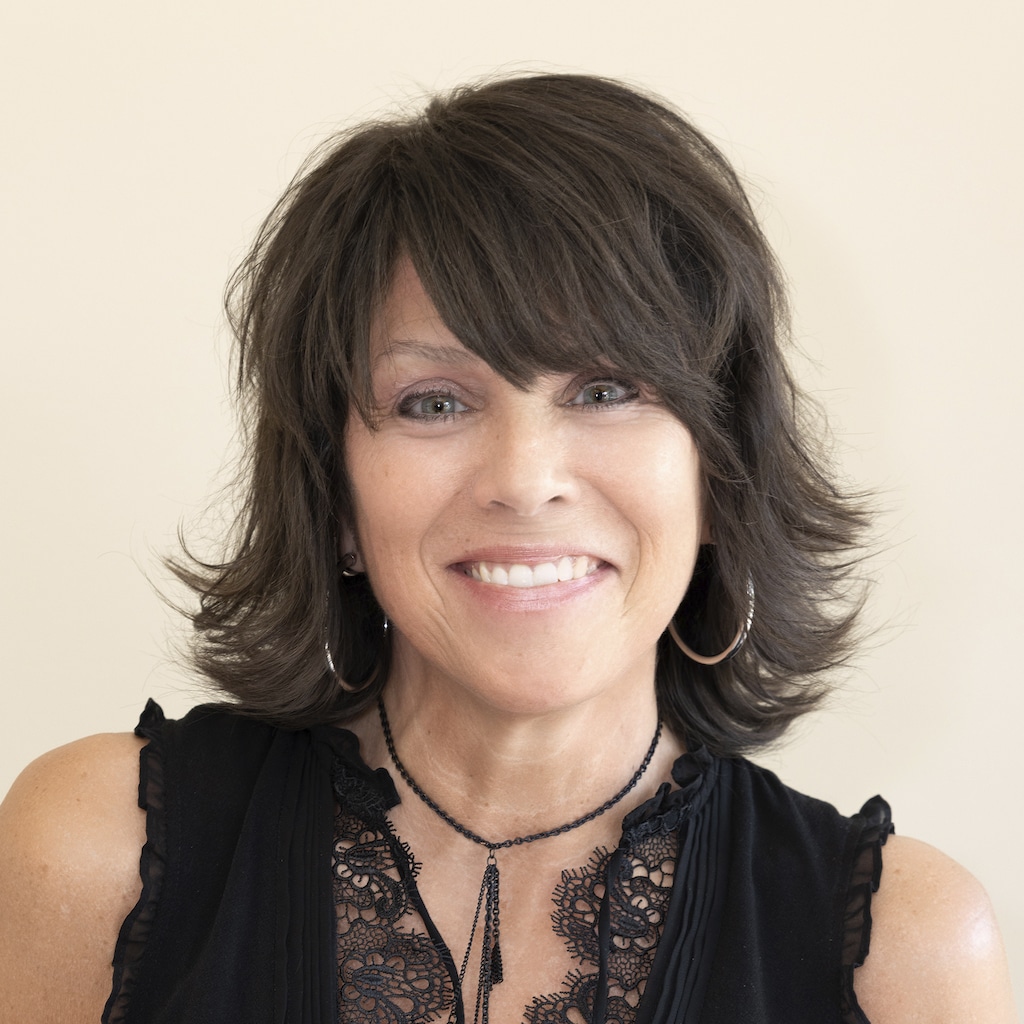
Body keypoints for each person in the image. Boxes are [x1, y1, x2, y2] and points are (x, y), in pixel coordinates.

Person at [0, 73, 1015, 1024]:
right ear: (336, 494)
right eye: (433, 401)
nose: (525, 477)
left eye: (606, 389)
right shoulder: (98, 852)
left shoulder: (905, 955)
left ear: (720, 469)